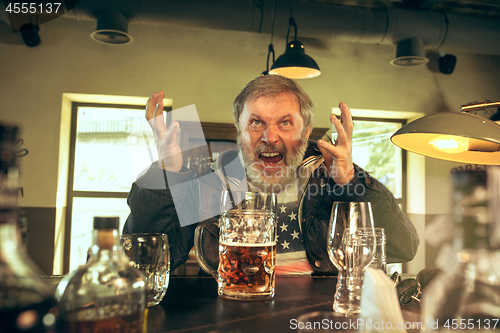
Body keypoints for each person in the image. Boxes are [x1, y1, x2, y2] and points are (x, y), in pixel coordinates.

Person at [123, 75, 419, 275]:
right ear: (238, 130)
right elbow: (145, 262)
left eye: (285, 123)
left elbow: (401, 247)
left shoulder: (331, 181)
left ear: (305, 130)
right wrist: (166, 168)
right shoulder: (212, 185)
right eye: (256, 123)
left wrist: (351, 182)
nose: (269, 136)